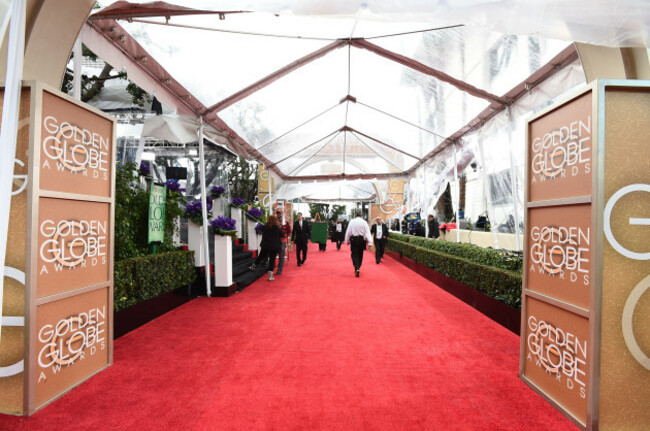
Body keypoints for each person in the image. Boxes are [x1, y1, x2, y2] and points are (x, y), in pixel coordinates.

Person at [250, 215, 284, 281]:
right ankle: (270, 276)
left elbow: (258, 228)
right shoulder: (277, 228)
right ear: (275, 220)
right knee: (272, 260)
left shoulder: (265, 227)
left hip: (265, 246)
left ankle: (253, 266)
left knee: (260, 256)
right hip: (274, 247)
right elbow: (282, 234)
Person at [344, 210, 373, 277]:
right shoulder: (364, 222)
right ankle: (358, 267)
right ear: (361, 215)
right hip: (362, 240)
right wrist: (370, 242)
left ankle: (356, 267)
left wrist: (347, 240)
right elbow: (367, 232)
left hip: (354, 239)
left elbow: (348, 231)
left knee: (354, 254)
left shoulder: (352, 221)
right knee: (360, 254)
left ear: (355, 215)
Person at [275, 209, 292, 275]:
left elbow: (289, 231)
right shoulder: (275, 222)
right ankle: (271, 267)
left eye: (280, 213)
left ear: (282, 214)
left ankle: (279, 271)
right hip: (275, 240)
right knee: (273, 254)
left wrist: (284, 236)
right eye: (278, 213)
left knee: (281, 256)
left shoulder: (286, 222)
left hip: (282, 241)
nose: (279, 214)